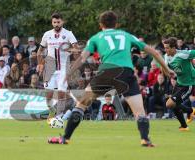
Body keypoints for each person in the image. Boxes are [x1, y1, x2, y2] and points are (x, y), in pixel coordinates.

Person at [48, 11, 174, 147]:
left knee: (81, 105)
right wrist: (167, 70)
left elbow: (82, 57)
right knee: (139, 111)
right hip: (126, 73)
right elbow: (154, 52)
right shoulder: (126, 35)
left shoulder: (96, 38)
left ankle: (65, 138)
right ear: (117, 24)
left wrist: (69, 73)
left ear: (100, 24)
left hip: (105, 73)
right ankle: (145, 139)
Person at [36, 12, 78, 121]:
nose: (56, 24)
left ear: (62, 22)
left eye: (58, 22)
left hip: (63, 69)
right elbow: (40, 50)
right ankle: (52, 111)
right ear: (52, 22)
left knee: (61, 93)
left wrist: (68, 49)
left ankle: (59, 117)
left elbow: (77, 49)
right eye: (54, 22)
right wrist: (40, 64)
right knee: (48, 96)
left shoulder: (68, 34)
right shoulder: (47, 34)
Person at [163, 37, 195, 130]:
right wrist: (170, 74)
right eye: (164, 47)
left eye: (167, 48)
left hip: (188, 83)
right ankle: (184, 126)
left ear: (173, 48)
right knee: (173, 105)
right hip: (179, 82)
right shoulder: (166, 56)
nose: (165, 50)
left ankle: (191, 110)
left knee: (169, 104)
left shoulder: (183, 54)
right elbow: (165, 69)